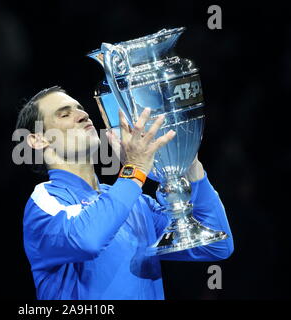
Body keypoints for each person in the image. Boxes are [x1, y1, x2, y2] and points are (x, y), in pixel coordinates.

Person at [15, 86, 234, 300]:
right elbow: (87, 241)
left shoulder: (136, 202)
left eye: (80, 108)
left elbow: (216, 245)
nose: (82, 115)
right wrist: (135, 169)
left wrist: (185, 160)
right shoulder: (44, 200)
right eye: (64, 114)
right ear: (37, 140)